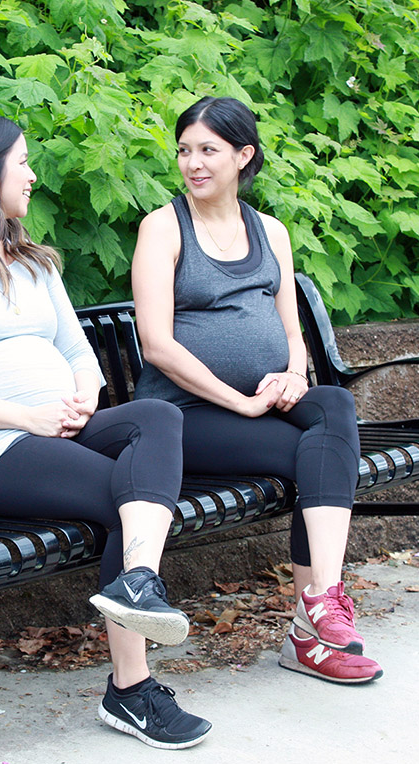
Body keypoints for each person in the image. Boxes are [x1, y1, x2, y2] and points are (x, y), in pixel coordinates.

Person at [0, 113, 212, 747]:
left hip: (57, 431)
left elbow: (79, 353)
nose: (33, 176)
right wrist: (27, 417)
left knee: (158, 415)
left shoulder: (33, 263)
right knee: (130, 495)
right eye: (22, 163)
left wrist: (83, 404)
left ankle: (137, 581)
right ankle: (132, 691)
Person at [131, 96, 383, 685]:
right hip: (187, 412)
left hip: (266, 401)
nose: (193, 163)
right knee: (315, 456)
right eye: (185, 150)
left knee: (334, 405)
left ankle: (321, 597)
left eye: (208, 151)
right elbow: (157, 345)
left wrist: (296, 374)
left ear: (243, 156)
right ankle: (310, 632)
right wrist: (241, 400)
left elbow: (292, 330)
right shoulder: (162, 228)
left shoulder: (270, 230)